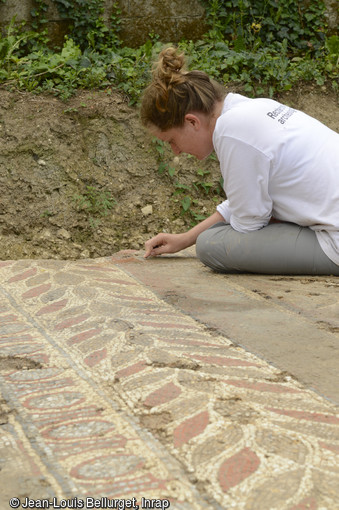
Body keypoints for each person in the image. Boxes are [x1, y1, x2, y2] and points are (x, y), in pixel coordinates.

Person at [140, 47, 339, 275]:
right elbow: (242, 205)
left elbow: (249, 225)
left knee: (211, 245)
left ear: (192, 122)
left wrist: (199, 239)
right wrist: (185, 239)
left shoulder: (231, 132)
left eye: (171, 140)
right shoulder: (253, 108)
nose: (175, 151)